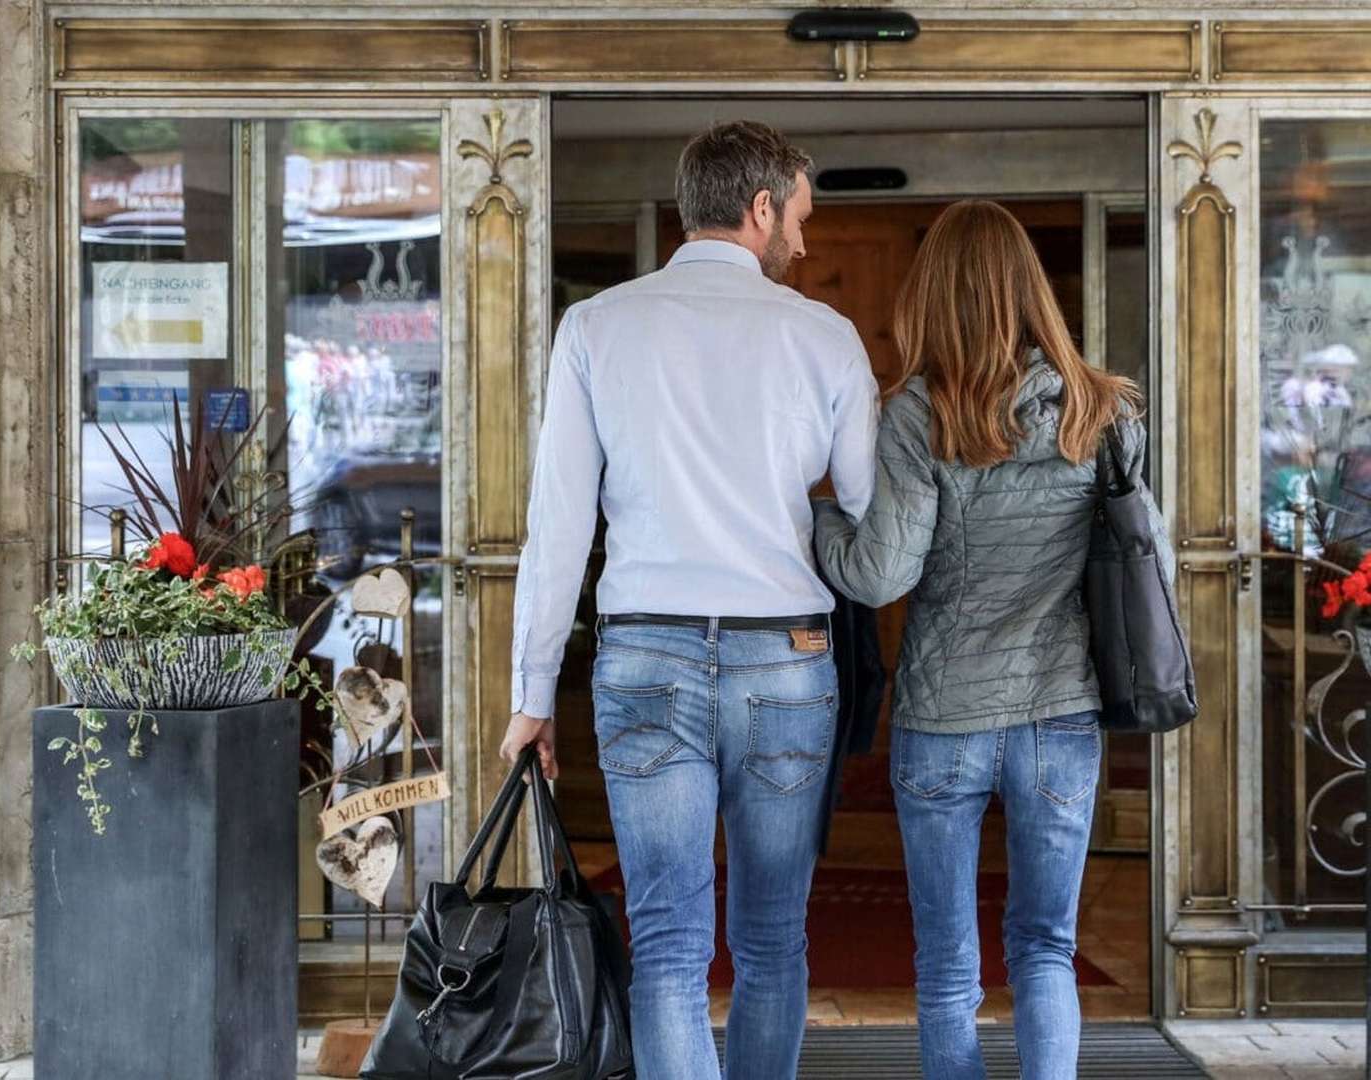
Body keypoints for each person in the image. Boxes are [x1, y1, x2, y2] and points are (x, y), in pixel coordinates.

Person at [499, 120, 879, 1080]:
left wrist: (533, 693)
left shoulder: (596, 327)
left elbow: (558, 526)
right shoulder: (825, 337)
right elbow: (870, 515)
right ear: (759, 210)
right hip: (786, 662)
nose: (804, 240)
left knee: (666, 946)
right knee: (771, 940)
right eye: (798, 216)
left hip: (645, 658)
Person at [814, 199, 1172, 1080]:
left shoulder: (917, 415)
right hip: (1060, 715)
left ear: (932, 295)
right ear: (1032, 291)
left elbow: (879, 576)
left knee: (946, 967)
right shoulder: (1104, 407)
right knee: (1045, 947)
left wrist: (815, 522)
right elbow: (1143, 553)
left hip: (943, 719)